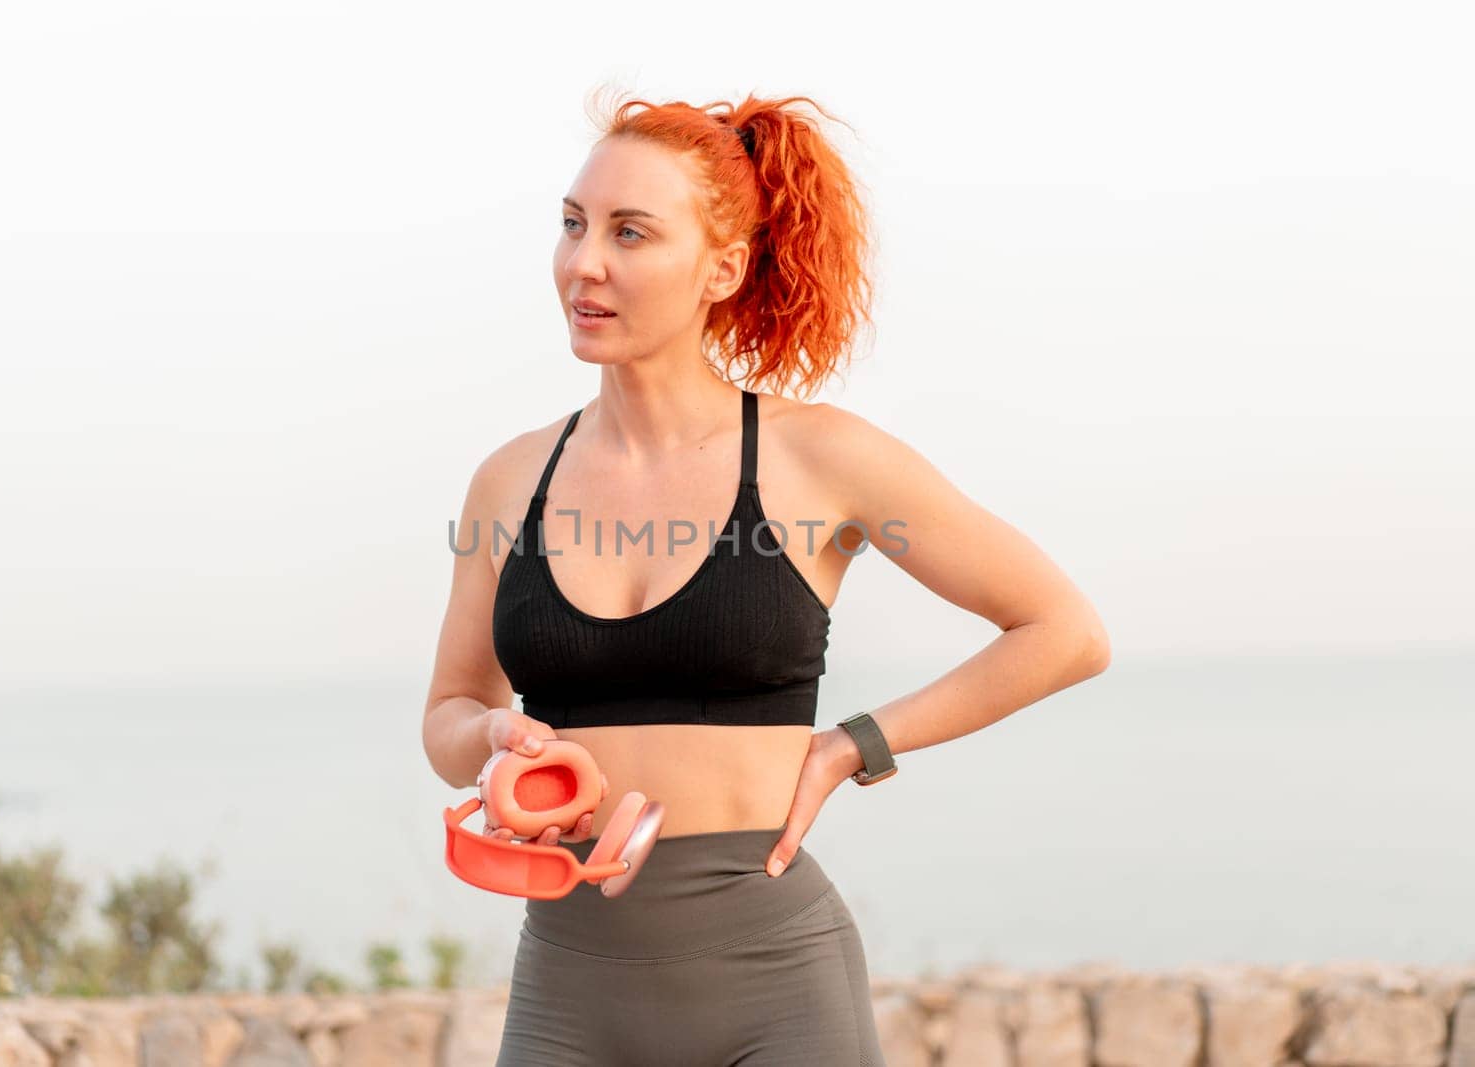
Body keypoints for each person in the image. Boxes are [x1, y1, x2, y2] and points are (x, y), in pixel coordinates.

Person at [424, 88, 1111, 1066]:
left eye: (630, 233)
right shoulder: (507, 482)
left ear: (723, 266)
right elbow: (448, 710)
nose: (585, 263)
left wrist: (850, 744)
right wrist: (491, 735)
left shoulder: (818, 459)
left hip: (775, 988)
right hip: (567, 989)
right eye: (573, 225)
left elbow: (1062, 629)